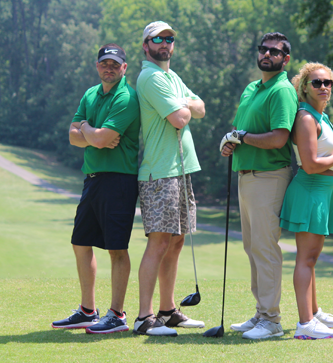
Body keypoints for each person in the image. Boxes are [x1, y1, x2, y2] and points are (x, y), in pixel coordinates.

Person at [51, 44, 140, 334]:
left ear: (124, 68)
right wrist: (93, 134)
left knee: (116, 248)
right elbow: (72, 136)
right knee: (80, 242)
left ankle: (117, 314)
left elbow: (97, 138)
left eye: (116, 64)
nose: (110, 68)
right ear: (97, 65)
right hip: (92, 178)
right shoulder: (91, 94)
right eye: (105, 63)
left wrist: (87, 130)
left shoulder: (126, 97)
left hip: (119, 179)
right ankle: (88, 310)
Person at [220, 32, 298, 340]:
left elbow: (279, 137)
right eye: (263, 50)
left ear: (285, 59)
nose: (267, 54)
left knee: (265, 248)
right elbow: (244, 133)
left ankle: (272, 321)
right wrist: (232, 144)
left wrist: (241, 137)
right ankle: (261, 313)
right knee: (252, 247)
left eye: (275, 52)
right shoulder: (252, 88)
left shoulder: (281, 90)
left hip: (269, 176)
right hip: (247, 174)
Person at [132, 21, 206, 337]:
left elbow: (199, 108)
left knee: (176, 242)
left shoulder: (171, 77)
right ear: (146, 45)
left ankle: (167, 311)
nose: (165, 43)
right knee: (160, 241)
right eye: (158, 39)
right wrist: (184, 106)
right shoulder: (150, 77)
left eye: (170, 38)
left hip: (181, 170)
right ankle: (144, 317)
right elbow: (180, 117)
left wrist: (184, 105)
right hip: (160, 172)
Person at [279, 62, 333, 339]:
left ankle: (314, 312)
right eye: (317, 83)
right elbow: (311, 164)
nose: (324, 87)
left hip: (322, 191)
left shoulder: (321, 117)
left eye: (328, 83)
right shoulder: (306, 118)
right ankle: (305, 324)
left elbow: (328, 150)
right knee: (306, 258)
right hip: (311, 188)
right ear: (304, 88)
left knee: (312, 258)